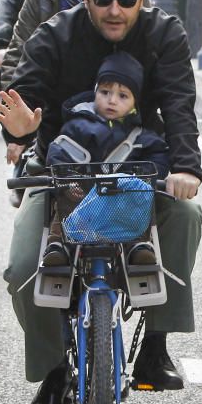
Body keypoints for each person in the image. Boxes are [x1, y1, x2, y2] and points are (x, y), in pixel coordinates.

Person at [0, 0, 202, 404]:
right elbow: (22, 102)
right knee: (25, 267)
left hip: (139, 171)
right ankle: (52, 374)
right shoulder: (55, 35)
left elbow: (179, 105)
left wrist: (186, 169)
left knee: (186, 218)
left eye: (127, 0)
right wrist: (19, 131)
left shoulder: (164, 35)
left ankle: (155, 342)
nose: (115, 10)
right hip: (61, 173)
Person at [0, 0, 109, 168]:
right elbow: (17, 58)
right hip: (52, 129)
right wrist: (17, 128)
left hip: (119, 126)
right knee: (31, 200)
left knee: (178, 209)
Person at [41, 51, 170, 268]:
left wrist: (140, 178)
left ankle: (138, 246)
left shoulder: (140, 136)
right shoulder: (77, 124)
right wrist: (67, 180)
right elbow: (58, 152)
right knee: (62, 206)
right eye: (105, 91)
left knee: (135, 209)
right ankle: (58, 245)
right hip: (80, 194)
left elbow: (158, 156)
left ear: (135, 103)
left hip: (120, 197)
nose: (112, 100)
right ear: (94, 92)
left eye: (123, 96)